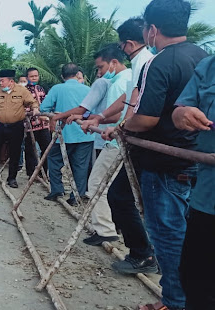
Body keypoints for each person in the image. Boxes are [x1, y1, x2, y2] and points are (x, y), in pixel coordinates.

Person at [102, 2, 208, 309]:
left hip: (164, 164)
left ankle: (175, 301)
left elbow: (145, 118)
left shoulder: (159, 62)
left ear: (152, 30)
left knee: (167, 235)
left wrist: (124, 126)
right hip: (195, 159)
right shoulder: (202, 58)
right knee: (187, 235)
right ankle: (179, 298)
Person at [78, 17, 158, 278]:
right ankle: (139, 249)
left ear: (129, 44)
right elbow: (128, 102)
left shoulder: (145, 62)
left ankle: (142, 252)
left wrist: (120, 126)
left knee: (123, 195)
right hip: (126, 136)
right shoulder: (138, 65)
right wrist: (104, 120)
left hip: (136, 140)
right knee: (123, 195)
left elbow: (135, 104)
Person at [64, 45, 133, 246]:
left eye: (101, 67)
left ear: (113, 62)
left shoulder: (121, 82)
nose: (100, 73)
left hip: (116, 142)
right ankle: (112, 228)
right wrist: (94, 119)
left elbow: (121, 114)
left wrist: (95, 120)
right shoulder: (124, 80)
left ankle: (106, 229)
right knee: (113, 188)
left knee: (96, 184)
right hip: (112, 138)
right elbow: (113, 112)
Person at [172, 55, 215, 310]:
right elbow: (180, 112)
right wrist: (184, 114)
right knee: (194, 277)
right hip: (207, 197)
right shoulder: (209, 67)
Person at [40, 63, 94, 205]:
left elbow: (43, 108)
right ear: (77, 75)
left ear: (62, 76)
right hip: (85, 133)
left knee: (54, 160)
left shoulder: (57, 89)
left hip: (64, 133)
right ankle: (76, 196)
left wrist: (57, 113)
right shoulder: (88, 89)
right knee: (80, 166)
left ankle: (57, 189)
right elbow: (92, 111)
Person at [0, 69, 39, 188]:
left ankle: (12, 178)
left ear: (11, 81)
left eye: (3, 81)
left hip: (16, 125)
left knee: (15, 152)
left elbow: (32, 101)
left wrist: (35, 108)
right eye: (0, 81)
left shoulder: (21, 91)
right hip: (0, 125)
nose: (1, 83)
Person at [24, 68, 52, 178]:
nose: (34, 78)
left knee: (47, 149)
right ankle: (31, 173)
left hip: (44, 125)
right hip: (30, 125)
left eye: (36, 76)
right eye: (32, 76)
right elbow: (22, 107)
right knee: (30, 150)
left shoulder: (41, 88)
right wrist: (32, 113)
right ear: (27, 78)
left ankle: (43, 172)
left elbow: (45, 103)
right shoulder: (24, 91)